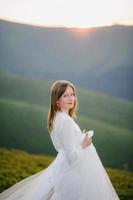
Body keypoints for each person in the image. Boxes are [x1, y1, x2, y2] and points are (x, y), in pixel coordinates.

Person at [0, 80, 120, 200]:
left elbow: (60, 148)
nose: (70, 98)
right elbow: (71, 157)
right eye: (65, 95)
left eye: (72, 94)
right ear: (57, 101)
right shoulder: (66, 121)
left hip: (64, 171)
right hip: (74, 174)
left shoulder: (56, 118)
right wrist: (83, 144)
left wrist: (77, 139)